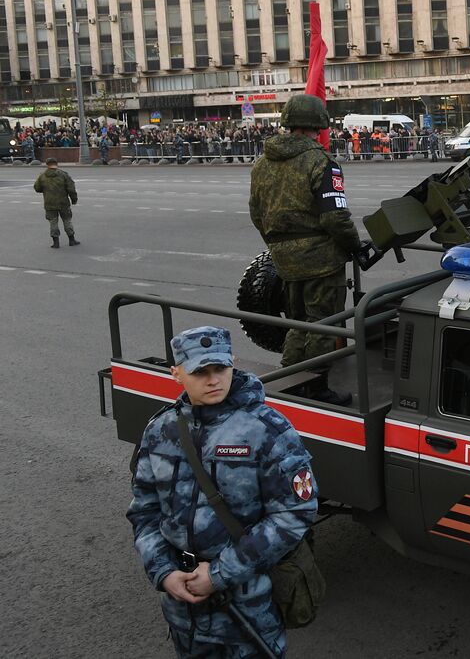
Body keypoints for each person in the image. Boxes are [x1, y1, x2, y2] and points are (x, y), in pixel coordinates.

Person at [128, 326, 317, 658]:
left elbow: (294, 513)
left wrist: (218, 574)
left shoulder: (266, 429)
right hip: (183, 611)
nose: (213, 379)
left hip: (246, 609)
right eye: (200, 371)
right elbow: (145, 511)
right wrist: (163, 572)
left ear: (233, 363)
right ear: (176, 374)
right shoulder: (160, 430)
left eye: (220, 368)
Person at [248, 94, 360, 405]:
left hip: (284, 258)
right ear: (318, 126)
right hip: (321, 259)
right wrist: (354, 246)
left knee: (295, 322)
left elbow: (257, 214)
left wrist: (278, 246)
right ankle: (316, 387)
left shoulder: (262, 163)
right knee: (322, 323)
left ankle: (291, 379)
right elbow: (335, 216)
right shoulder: (321, 162)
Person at [34, 157, 79, 248]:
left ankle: (56, 242)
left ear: (47, 164)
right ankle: (71, 240)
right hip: (63, 203)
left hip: (49, 203)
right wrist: (74, 199)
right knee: (67, 221)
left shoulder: (42, 176)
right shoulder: (63, 175)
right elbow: (71, 189)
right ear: (56, 164)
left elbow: (37, 188)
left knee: (53, 222)